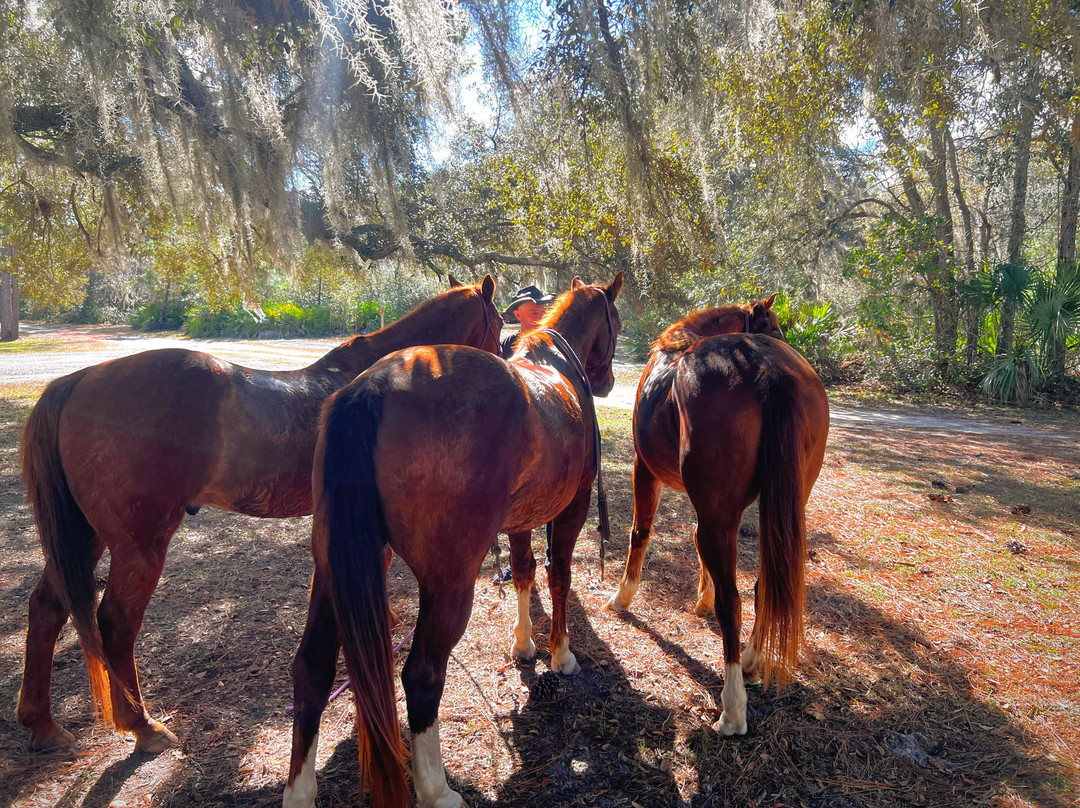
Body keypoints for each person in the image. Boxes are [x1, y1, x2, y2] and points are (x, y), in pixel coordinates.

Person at [495, 285, 556, 581]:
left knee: (555, 492)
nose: (538, 309)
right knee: (516, 497)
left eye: (541, 305)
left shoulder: (554, 342)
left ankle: (553, 556)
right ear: (518, 313)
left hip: (554, 429)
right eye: (531, 306)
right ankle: (517, 561)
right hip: (519, 432)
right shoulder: (506, 344)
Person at [500, 285, 555, 359]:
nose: (541, 318)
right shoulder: (506, 346)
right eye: (534, 313)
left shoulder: (556, 343)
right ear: (518, 315)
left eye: (544, 312)